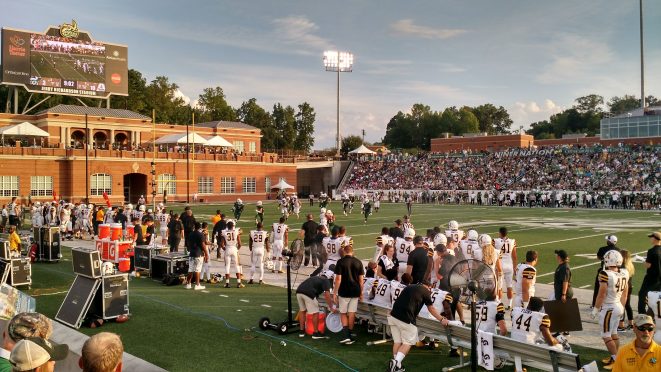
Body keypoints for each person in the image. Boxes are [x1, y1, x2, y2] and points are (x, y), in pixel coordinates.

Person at [386, 280, 449, 372]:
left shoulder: (409, 286)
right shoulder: (426, 291)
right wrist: (442, 319)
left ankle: (397, 366)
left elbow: (406, 301)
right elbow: (431, 308)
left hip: (393, 316)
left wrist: (415, 312)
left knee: (397, 342)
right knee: (407, 343)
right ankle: (396, 362)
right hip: (405, 319)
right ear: (429, 287)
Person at [591, 250, 629, 369]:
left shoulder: (605, 274)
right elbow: (625, 294)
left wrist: (595, 309)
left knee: (606, 335)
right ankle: (615, 356)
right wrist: (622, 307)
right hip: (618, 305)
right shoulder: (624, 272)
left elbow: (601, 294)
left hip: (609, 307)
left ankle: (616, 359)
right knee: (613, 333)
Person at [511, 297, 568, 372]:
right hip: (528, 355)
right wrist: (557, 341)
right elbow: (550, 342)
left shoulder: (515, 310)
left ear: (529, 304)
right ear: (541, 308)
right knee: (559, 346)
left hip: (512, 351)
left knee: (536, 340)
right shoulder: (542, 317)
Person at [333, 244, 364, 345]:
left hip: (344, 290)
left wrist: (334, 292)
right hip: (355, 290)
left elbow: (338, 279)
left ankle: (346, 335)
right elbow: (361, 280)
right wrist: (361, 292)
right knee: (351, 313)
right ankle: (350, 334)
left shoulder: (340, 262)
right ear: (352, 251)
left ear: (344, 252)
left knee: (343, 312)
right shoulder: (358, 262)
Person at [296, 275, 335, 339]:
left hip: (299, 291)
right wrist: (331, 307)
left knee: (302, 311)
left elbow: (314, 291)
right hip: (309, 293)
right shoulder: (326, 280)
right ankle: (316, 333)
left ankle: (301, 331)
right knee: (315, 312)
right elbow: (327, 295)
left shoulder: (315, 278)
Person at [593, 235, 620, 308]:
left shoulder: (602, 249)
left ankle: (594, 304)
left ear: (609, 241)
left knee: (598, 287)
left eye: (607, 240)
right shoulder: (618, 250)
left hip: (604, 270)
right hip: (615, 271)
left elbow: (598, 257)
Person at [494, 227, 517, 308]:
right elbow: (514, 256)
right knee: (509, 286)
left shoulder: (495, 241)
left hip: (500, 265)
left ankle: (499, 303)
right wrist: (514, 267)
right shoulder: (512, 241)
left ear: (500, 233)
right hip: (509, 265)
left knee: (499, 287)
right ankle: (510, 304)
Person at [638, 232, 661, 314]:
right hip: (659, 279)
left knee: (642, 295)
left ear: (655, 239)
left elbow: (648, 265)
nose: (650, 239)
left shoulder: (652, 251)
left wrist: (644, 261)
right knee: (657, 297)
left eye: (651, 237)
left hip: (651, 278)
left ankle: (642, 315)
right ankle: (653, 315)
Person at [221, 221, 243, 288]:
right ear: (233, 226)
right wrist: (237, 249)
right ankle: (239, 282)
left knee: (227, 266)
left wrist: (225, 249)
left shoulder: (224, 232)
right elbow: (240, 244)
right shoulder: (236, 231)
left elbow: (222, 244)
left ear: (227, 226)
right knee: (236, 266)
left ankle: (227, 283)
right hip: (234, 249)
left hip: (227, 248)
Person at [184, 221, 206, 290]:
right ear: (199, 227)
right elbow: (203, 245)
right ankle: (197, 284)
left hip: (191, 253)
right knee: (197, 269)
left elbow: (187, 243)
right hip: (198, 253)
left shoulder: (190, 234)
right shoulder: (200, 234)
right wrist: (206, 253)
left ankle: (188, 284)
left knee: (190, 269)